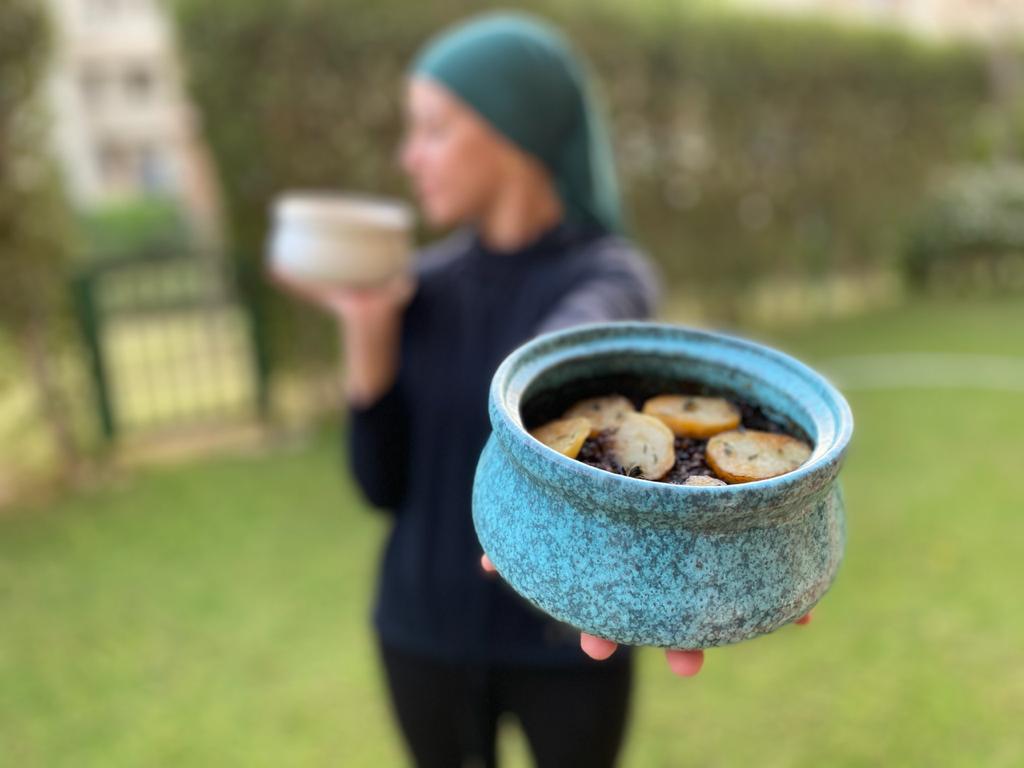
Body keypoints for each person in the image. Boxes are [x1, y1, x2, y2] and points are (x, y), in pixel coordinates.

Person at [271, 11, 810, 767]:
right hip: (422, 631)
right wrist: (367, 325)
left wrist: (756, 517)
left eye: (433, 129)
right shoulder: (417, 289)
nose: (410, 156)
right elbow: (379, 486)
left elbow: (567, 349)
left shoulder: (608, 277)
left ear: (512, 130)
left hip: (567, 640)